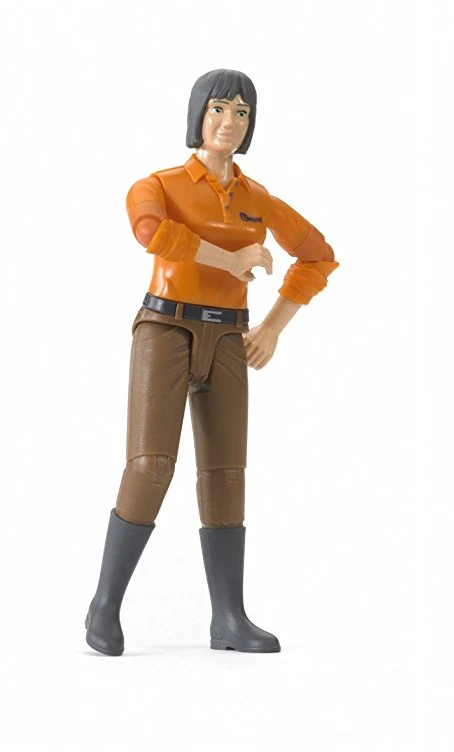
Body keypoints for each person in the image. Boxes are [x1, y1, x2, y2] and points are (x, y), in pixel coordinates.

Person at [84, 69, 339, 656]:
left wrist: (271, 328)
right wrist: (231, 260)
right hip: (165, 327)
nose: (230, 121)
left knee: (226, 473)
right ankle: (105, 603)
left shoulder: (257, 199)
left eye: (242, 112)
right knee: (151, 465)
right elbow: (151, 233)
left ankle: (228, 616)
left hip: (228, 336)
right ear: (198, 112)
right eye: (220, 107)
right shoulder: (159, 184)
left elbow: (319, 256)